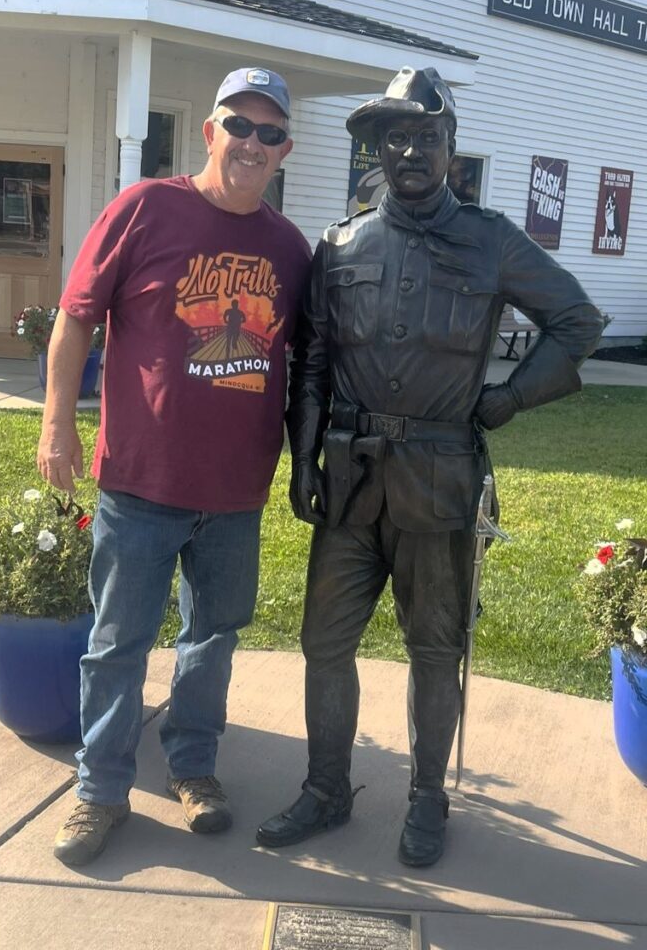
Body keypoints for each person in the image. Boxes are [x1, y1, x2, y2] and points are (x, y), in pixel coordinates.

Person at [256, 67, 604, 867]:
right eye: (396, 138)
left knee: (435, 649)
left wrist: (511, 398)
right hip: (348, 478)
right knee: (323, 641)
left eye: (428, 138)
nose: (410, 151)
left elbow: (577, 321)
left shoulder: (492, 241)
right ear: (376, 150)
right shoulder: (341, 246)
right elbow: (311, 360)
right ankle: (326, 788)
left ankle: (427, 799)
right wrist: (300, 456)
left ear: (451, 149)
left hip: (441, 478)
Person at [37, 67, 311, 866]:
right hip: (141, 482)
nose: (251, 143)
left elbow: (308, 360)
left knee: (212, 640)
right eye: (239, 125)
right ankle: (100, 791)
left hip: (235, 492)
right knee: (119, 642)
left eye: (269, 133)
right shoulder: (145, 208)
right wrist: (57, 424)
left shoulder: (289, 249)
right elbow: (74, 319)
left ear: (284, 150)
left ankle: (194, 770)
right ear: (210, 132)